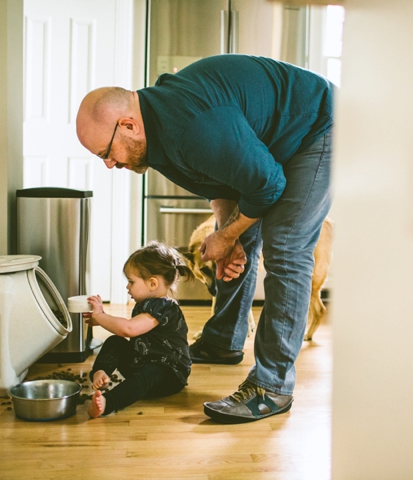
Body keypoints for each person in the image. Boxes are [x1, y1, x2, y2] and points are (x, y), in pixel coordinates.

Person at [76, 54, 334, 423]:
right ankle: (223, 341)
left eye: (106, 152)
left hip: (318, 126)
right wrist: (229, 233)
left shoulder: (191, 126)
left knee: (286, 247)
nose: (109, 164)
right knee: (227, 233)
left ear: (128, 125)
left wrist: (231, 234)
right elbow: (223, 181)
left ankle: (271, 387)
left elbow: (268, 184)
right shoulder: (154, 135)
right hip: (270, 147)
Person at [84, 241, 193, 418]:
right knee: (115, 342)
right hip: (141, 362)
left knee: (150, 372)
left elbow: (129, 329)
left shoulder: (165, 307)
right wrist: (102, 319)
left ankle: (107, 402)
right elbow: (126, 328)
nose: (127, 287)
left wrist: (101, 317)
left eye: (131, 282)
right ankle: (100, 373)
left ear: (152, 283)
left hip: (168, 374)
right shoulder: (145, 304)